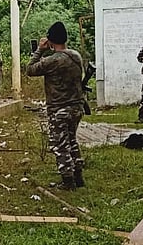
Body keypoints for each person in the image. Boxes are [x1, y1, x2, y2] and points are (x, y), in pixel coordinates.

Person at [26, 21, 86, 190]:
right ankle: (78, 175)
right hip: (77, 107)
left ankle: (68, 181)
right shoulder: (76, 56)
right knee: (72, 141)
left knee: (60, 146)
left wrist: (40, 49)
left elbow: (30, 69)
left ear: (51, 41)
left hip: (59, 109)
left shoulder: (52, 61)